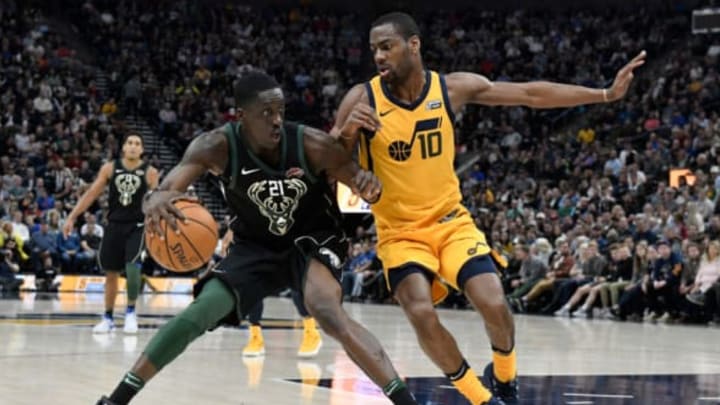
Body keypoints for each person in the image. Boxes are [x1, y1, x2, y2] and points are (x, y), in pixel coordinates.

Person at [332, 12, 645, 405]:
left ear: (413, 45)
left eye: (386, 46)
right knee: (420, 312)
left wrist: (604, 94)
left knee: (495, 303)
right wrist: (345, 138)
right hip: (400, 232)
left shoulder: (450, 89)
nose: (378, 56)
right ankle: (481, 399)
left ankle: (505, 378)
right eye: (374, 49)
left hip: (450, 223)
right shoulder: (361, 99)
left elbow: (531, 94)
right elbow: (328, 160)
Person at [96, 71, 417, 405]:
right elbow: (165, 189)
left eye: (280, 111)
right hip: (254, 246)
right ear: (242, 116)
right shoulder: (215, 146)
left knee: (326, 310)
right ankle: (118, 399)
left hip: (312, 239)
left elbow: (360, 185)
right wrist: (156, 199)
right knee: (199, 313)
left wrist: (369, 186)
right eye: (267, 113)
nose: (277, 120)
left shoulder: (311, 144)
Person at [63, 134, 159, 334]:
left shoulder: (150, 172)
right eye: (130, 143)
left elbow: (155, 202)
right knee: (111, 274)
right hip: (114, 225)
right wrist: (72, 216)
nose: (133, 147)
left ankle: (131, 313)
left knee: (133, 269)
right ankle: (107, 317)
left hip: (138, 226)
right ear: (123, 147)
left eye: (137, 144)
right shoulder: (109, 168)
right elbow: (91, 194)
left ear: (142, 150)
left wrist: (156, 225)